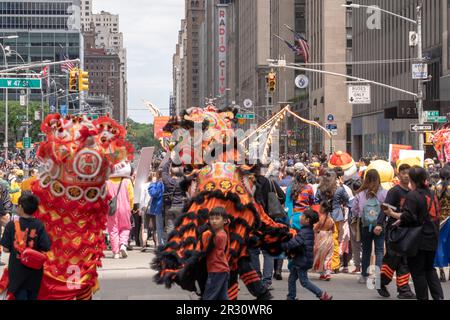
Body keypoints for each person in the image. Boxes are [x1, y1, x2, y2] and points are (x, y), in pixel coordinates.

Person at [384, 166, 444, 300]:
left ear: (412, 179)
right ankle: (438, 297)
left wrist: (392, 214)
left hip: (418, 241)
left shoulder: (413, 195)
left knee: (418, 272)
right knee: (430, 270)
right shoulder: (432, 194)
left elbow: (408, 217)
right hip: (432, 237)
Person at [374, 164, 416, 299]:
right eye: (403, 173)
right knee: (393, 258)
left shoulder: (411, 192)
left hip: (407, 231)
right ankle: (381, 282)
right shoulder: (395, 191)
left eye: (408, 173)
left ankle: (404, 290)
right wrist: (379, 224)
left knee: (404, 260)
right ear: (398, 175)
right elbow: (385, 208)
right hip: (394, 231)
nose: (405, 175)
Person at [0, 192, 51, 300]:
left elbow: (5, 249)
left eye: (18, 205)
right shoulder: (39, 225)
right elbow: (46, 246)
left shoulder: (11, 224)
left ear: (21, 207)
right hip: (35, 273)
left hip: (17, 272)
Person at [282, 209, 333, 300]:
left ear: (307, 220)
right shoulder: (307, 231)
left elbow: (294, 243)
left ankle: (321, 294)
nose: (300, 217)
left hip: (302, 261)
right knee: (292, 279)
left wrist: (282, 245)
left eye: (302, 216)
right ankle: (291, 297)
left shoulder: (304, 233)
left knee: (304, 281)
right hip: (299, 260)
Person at [352, 169, 387, 284]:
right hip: (379, 225)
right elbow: (387, 209)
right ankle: (377, 277)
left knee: (366, 250)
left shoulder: (360, 193)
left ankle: (364, 276)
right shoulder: (384, 193)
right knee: (379, 251)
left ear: (365, 179)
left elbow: (354, 210)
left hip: (365, 225)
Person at [316, 171, 350, 274]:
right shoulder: (339, 189)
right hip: (336, 217)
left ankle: (321, 263)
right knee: (335, 240)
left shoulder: (320, 189)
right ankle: (334, 264)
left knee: (322, 240)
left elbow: (316, 199)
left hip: (324, 216)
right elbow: (347, 199)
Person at [202, 207, 230, 301]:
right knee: (222, 297)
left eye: (217, 218)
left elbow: (206, 243)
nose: (214, 221)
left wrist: (204, 233)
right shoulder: (219, 233)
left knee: (209, 296)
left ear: (225, 221)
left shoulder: (220, 235)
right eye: (211, 218)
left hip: (216, 270)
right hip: (220, 269)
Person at [106, 167, 134, 259]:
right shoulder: (127, 181)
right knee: (126, 227)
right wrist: (131, 207)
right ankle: (123, 245)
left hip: (111, 209)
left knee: (113, 229)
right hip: (125, 208)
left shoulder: (107, 182)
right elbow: (131, 196)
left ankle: (116, 253)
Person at [160, 157, 186, 239]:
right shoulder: (184, 181)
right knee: (181, 228)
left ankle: (170, 247)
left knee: (170, 228)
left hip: (170, 207)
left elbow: (164, 171)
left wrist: (170, 160)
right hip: (181, 206)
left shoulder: (167, 180)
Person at [434, 164, 450, 282]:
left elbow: (434, 204)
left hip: (440, 220)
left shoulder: (437, 187)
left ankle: (441, 271)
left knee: (439, 245)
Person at [313, 200, 335, 281]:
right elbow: (333, 230)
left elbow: (315, 228)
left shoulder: (321, 218)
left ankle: (322, 273)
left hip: (321, 237)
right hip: (329, 236)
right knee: (328, 256)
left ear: (322, 208)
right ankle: (328, 273)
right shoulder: (331, 219)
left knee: (320, 255)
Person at [148, 170, 165, 247]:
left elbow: (153, 193)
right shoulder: (168, 182)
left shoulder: (158, 183)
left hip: (159, 207)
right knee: (168, 226)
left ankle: (161, 245)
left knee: (160, 227)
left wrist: (153, 183)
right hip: (167, 206)